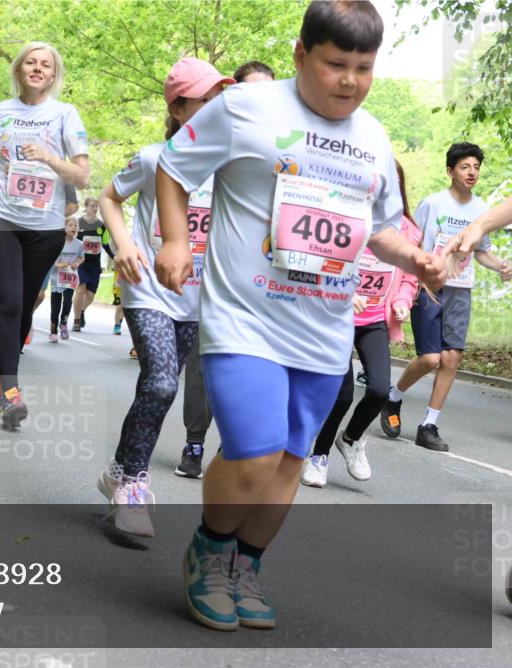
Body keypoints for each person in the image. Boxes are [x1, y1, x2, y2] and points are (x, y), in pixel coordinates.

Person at [153, 0, 447, 632]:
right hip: (244, 319)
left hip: (322, 330)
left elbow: (383, 230)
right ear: (300, 55)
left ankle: (246, 564)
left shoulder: (371, 138)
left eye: (363, 68)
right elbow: (172, 171)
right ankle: (209, 550)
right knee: (255, 453)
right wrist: (176, 242)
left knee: (288, 461)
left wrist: (418, 260)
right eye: (335, 64)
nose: (349, 80)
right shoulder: (244, 109)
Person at [98, 56, 234, 537]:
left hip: (198, 299)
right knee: (160, 385)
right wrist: (125, 244)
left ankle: (119, 469)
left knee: (157, 390)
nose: (218, 106)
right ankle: (134, 483)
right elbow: (107, 197)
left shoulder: (233, 169)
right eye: (207, 99)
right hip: (147, 289)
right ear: (179, 109)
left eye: (222, 98)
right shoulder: (155, 157)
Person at [0, 41, 90, 431]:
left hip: (45, 228)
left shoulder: (65, 114)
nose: (38, 69)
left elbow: (82, 175)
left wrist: (48, 158)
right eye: (31, 63)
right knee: (8, 302)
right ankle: (11, 392)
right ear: (19, 69)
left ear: (54, 75)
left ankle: (1, 377)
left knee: (23, 307)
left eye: (46, 65)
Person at [380, 143, 512, 451]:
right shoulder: (433, 204)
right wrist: (413, 283)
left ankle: (429, 425)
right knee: (430, 358)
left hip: (461, 292)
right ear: (450, 171)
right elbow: (414, 244)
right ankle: (393, 396)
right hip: (428, 287)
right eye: (465, 167)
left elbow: (482, 252)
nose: (472, 173)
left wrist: (501, 267)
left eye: (477, 167)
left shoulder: (482, 211)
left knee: (451, 358)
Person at [177, 59, 273, 480]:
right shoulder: (207, 143)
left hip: (263, 281)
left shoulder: (282, 154)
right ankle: (194, 441)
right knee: (203, 364)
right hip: (206, 278)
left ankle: (233, 446)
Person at [302, 161, 420, 487]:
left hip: (373, 321)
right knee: (340, 395)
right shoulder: (348, 219)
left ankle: (351, 439)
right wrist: (342, 292)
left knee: (381, 389)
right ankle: (319, 456)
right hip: (339, 317)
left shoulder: (408, 230)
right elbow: (322, 260)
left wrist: (401, 301)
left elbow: (409, 277)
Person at [72, 197, 106, 331]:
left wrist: (114, 256)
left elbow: (105, 243)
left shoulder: (101, 225)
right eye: (92, 206)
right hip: (81, 262)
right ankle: (76, 321)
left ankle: (81, 311)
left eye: (97, 206)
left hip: (95, 264)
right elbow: (72, 240)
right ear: (86, 207)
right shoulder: (79, 223)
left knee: (91, 296)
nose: (95, 208)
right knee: (80, 290)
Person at [48, 216, 84, 341]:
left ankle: (63, 323)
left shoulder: (79, 244)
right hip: (56, 278)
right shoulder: (58, 242)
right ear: (64, 227)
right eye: (70, 225)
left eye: (76, 225)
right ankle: (53, 331)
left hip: (70, 278)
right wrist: (58, 264)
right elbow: (50, 257)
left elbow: (81, 257)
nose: (74, 227)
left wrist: (77, 263)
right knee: (55, 307)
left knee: (68, 302)